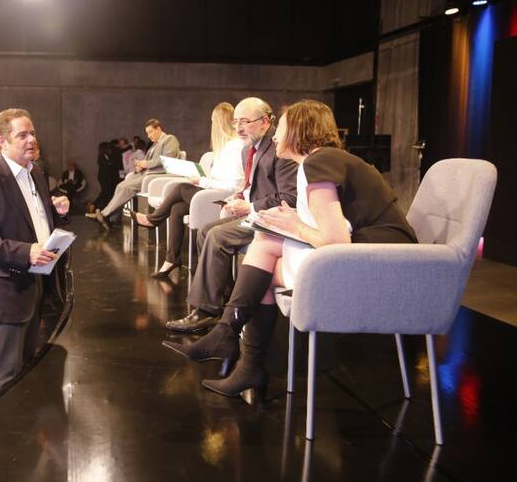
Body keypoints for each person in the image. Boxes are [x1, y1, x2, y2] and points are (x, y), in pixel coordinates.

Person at [164, 100, 418, 397]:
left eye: (280, 128)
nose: (274, 136)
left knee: (264, 264)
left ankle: (238, 349)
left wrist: (294, 225)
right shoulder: (324, 160)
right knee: (265, 242)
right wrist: (290, 221)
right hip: (378, 255)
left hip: (384, 264)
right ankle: (235, 345)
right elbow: (333, 227)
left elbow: (336, 241)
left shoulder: (318, 162)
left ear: (298, 130)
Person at [165, 97, 297, 333]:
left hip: (271, 218)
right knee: (205, 230)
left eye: (245, 122)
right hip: (256, 213)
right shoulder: (248, 149)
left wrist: (250, 206)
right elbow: (253, 185)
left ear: (265, 122)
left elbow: (289, 197)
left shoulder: (280, 149)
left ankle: (206, 312)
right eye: (236, 122)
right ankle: (221, 296)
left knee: (217, 236)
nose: (238, 128)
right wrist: (240, 195)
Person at [0, 108, 70, 397]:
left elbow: (36, 223)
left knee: (24, 368)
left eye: (32, 133)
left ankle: (20, 423)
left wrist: (57, 213)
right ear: (2, 141)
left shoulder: (36, 174)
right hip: (5, 290)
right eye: (22, 135)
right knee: (6, 374)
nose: (31, 140)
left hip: (33, 285)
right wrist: (26, 253)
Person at [132, 102, 245, 278]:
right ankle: (172, 259)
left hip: (225, 198)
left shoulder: (235, 147)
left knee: (181, 188)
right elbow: (218, 178)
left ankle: (153, 219)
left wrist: (203, 181)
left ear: (218, 123)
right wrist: (202, 179)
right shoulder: (223, 148)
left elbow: (234, 185)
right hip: (212, 192)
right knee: (177, 209)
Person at [93, 119, 180, 229]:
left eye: (150, 132)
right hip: (147, 173)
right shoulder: (155, 144)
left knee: (125, 188)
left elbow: (167, 159)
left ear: (158, 129)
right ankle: (111, 218)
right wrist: (141, 166)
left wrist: (145, 164)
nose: (148, 136)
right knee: (120, 186)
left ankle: (105, 215)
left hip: (156, 176)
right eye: (147, 133)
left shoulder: (169, 139)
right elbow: (150, 161)